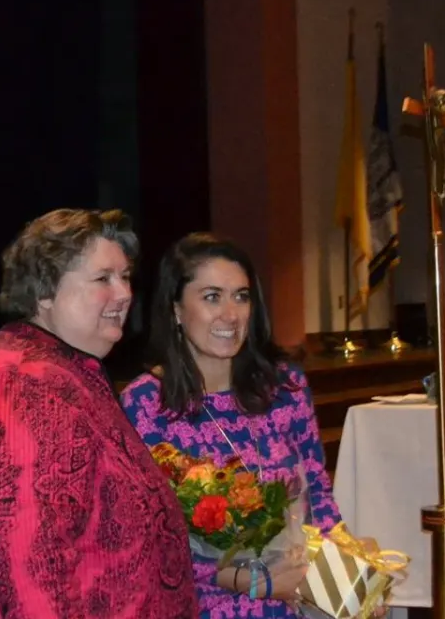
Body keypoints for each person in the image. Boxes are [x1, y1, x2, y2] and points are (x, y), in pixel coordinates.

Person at [0, 209, 197, 618]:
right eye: (103, 279)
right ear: (44, 291)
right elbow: (33, 574)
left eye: (125, 276)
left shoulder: (60, 370)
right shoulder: (15, 385)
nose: (124, 293)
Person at [118, 233, 343, 618]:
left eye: (241, 296)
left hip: (297, 597)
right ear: (176, 308)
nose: (231, 314)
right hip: (204, 604)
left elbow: (319, 495)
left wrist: (345, 575)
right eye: (212, 297)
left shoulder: (284, 388)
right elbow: (149, 538)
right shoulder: (146, 404)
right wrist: (259, 583)